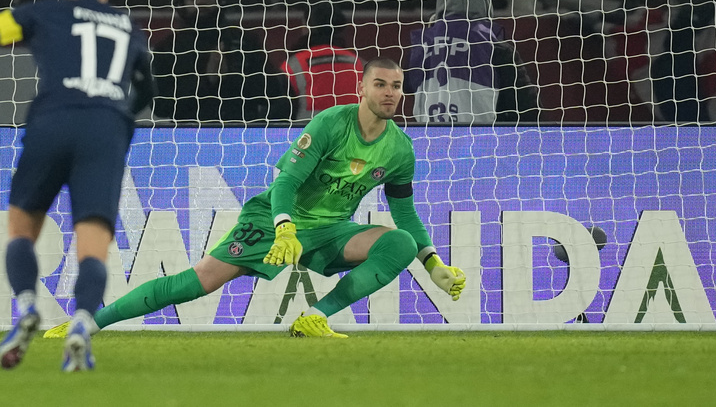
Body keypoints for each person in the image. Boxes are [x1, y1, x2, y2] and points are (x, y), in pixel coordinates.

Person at [44, 57, 466, 340]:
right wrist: (283, 226)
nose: (390, 93)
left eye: (396, 86)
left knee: (400, 243)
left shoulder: (399, 150)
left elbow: (404, 210)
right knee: (200, 281)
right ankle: (90, 323)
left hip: (331, 231)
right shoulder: (330, 124)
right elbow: (284, 182)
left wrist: (433, 263)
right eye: (380, 84)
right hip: (273, 220)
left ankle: (316, 317)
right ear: (362, 87)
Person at [0, 0, 156, 372]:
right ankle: (83, 322)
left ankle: (28, 305)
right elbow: (147, 88)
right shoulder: (127, 26)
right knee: (93, 246)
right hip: (105, 129)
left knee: (20, 230)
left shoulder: (42, 12)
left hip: (53, 120)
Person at [405, 0, 539, 124]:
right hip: (484, 144)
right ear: (484, 2)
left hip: (431, 142)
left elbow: (405, 86)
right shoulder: (498, 50)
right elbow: (528, 110)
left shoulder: (421, 47)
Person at [151, 0, 294, 123]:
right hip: (187, 138)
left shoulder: (244, 41)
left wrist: (232, 77)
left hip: (239, 136)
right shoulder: (167, 48)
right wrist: (205, 81)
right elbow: (159, 106)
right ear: (181, 3)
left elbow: (274, 93)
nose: (200, 2)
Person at [283, 2, 364, 119]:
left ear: (307, 26)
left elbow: (280, 111)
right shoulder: (359, 63)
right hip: (352, 134)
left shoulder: (293, 65)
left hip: (309, 134)